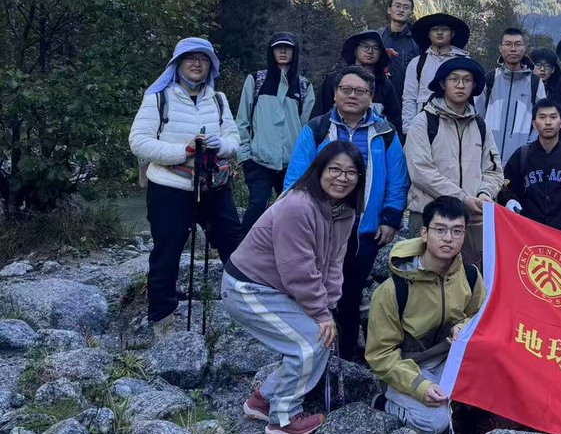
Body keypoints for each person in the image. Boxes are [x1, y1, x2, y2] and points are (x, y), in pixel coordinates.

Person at [223, 141, 364, 434]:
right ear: (319, 170)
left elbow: (334, 264)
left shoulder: (344, 212)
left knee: (321, 336)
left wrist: (329, 310)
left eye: (351, 172)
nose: (342, 178)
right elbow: (297, 269)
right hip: (248, 287)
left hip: (277, 289)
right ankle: (284, 418)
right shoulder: (298, 205)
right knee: (309, 344)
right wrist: (319, 315)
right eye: (334, 169)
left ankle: (264, 399)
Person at [285, 66, 408, 359]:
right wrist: (294, 216)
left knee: (351, 292)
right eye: (346, 90)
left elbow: (397, 179)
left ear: (371, 96)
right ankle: (310, 350)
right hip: (319, 225)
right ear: (336, 93)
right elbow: (296, 176)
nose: (353, 96)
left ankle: (347, 352)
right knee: (313, 289)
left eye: (360, 91)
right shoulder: (317, 128)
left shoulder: (385, 132)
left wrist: (390, 218)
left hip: (363, 226)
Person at [129, 37, 241, 335]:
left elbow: (234, 137)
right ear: (177, 64)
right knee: (167, 249)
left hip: (214, 185)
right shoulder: (158, 98)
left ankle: (246, 306)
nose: (196, 64)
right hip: (170, 185)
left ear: (210, 66)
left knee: (234, 243)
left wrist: (223, 145)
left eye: (203, 59)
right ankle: (162, 316)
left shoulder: (218, 99)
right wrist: (185, 151)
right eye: (189, 58)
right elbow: (138, 142)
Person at [365, 196, 486, 434]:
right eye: (440, 230)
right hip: (406, 367)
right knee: (435, 423)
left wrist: (462, 325)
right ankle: (384, 403)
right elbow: (380, 355)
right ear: (424, 232)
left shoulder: (470, 276)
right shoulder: (393, 289)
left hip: (448, 360)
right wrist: (420, 386)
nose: (448, 238)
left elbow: (480, 316)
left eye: (457, 231)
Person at [405, 57, 504, 267]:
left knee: (471, 280)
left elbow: (493, 169)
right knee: (424, 282)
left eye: (467, 80)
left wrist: (484, 193)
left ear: (474, 85)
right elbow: (421, 172)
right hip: (428, 215)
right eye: (454, 79)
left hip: (471, 220)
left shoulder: (480, 125)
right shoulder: (424, 122)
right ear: (442, 83)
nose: (461, 85)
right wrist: (461, 197)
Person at [235, 32, 315, 236]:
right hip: (258, 159)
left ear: (294, 52)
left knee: (291, 210)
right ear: (271, 51)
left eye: (287, 48)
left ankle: (285, 252)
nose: (282, 51)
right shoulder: (256, 80)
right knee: (257, 204)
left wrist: (304, 160)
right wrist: (245, 155)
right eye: (278, 47)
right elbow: (242, 120)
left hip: (291, 163)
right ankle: (241, 253)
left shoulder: (304, 85)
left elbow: (307, 128)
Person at [503, 98, 561, 236]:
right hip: (527, 233)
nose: (548, 122)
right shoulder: (522, 155)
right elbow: (506, 188)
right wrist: (510, 199)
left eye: (553, 117)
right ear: (534, 123)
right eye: (542, 117)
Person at [477, 28, 546, 165]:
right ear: (500, 48)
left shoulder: (534, 83)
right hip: (488, 158)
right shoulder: (490, 79)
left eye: (517, 44)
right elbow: (477, 115)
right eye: (508, 44)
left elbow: (543, 118)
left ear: (524, 48)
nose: (513, 49)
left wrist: (530, 147)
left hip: (521, 160)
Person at [316, 31, 403, 131]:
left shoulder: (384, 84)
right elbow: (319, 115)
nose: (370, 51)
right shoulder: (334, 80)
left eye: (376, 48)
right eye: (365, 46)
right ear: (355, 49)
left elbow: (395, 120)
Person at [401, 12, 471, 135]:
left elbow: (473, 97)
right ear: (428, 34)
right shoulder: (417, 63)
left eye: (444, 29)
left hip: (456, 125)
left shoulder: (465, 62)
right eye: (435, 29)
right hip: (423, 126)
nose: (439, 33)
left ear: (452, 34)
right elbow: (409, 98)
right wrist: (408, 130)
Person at [378, 0, 420, 103]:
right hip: (377, 97)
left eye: (406, 7)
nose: (401, 10)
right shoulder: (378, 37)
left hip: (406, 100)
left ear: (411, 13)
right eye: (397, 6)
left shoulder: (417, 41)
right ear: (389, 10)